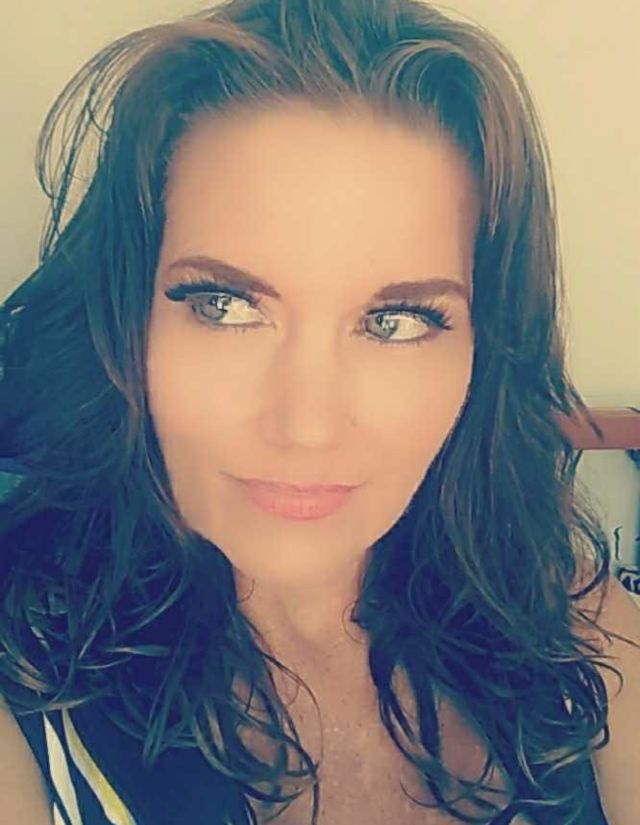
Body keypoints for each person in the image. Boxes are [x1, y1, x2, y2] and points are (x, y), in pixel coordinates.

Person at [1, 1, 638, 823]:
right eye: (225, 305)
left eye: (397, 321)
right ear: (129, 319)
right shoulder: (26, 679)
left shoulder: (570, 616)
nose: (306, 426)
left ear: (483, 349)